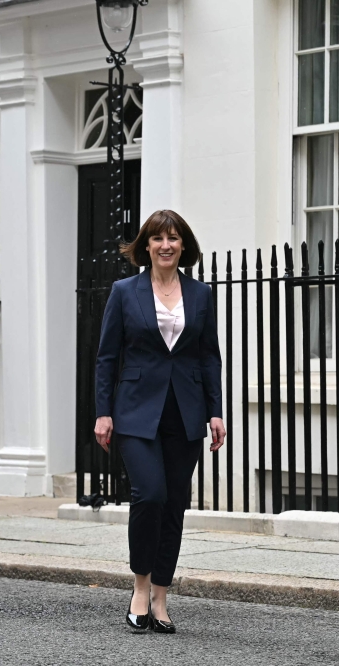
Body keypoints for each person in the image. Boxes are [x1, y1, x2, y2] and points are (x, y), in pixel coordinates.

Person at [94, 209, 226, 634]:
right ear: (145, 247)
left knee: (174, 504)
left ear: (183, 245)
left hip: (184, 413)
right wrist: (102, 411)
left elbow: (209, 357)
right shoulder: (124, 291)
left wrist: (215, 410)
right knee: (148, 494)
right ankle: (140, 586)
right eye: (157, 239)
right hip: (135, 411)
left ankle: (162, 597)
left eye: (173, 238)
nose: (165, 245)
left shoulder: (200, 294)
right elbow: (107, 357)